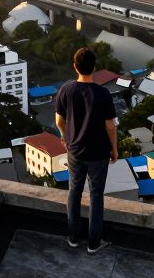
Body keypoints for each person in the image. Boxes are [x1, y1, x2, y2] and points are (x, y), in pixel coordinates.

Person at [53, 47, 118, 254]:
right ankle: (93, 243)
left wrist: (65, 136)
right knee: (96, 195)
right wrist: (114, 149)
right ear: (95, 67)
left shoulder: (66, 89)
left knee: (74, 192)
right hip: (98, 153)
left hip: (75, 152)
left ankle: (73, 237)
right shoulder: (103, 93)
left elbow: (59, 120)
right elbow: (110, 126)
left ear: (75, 67)